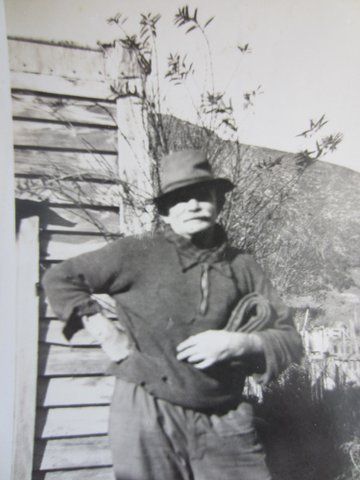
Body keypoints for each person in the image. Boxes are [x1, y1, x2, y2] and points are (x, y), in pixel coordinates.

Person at [42, 149, 303, 480]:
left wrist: (238, 343)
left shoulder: (244, 266)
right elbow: (60, 279)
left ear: (219, 202)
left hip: (225, 416)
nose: (192, 205)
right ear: (165, 212)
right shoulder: (136, 252)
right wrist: (111, 339)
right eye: (180, 198)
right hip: (148, 411)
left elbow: (290, 340)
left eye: (202, 195)